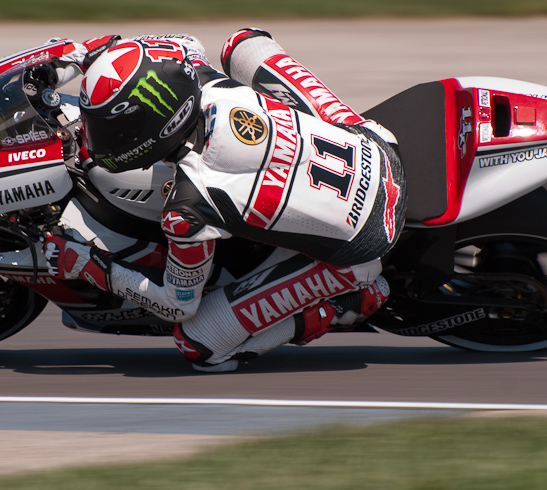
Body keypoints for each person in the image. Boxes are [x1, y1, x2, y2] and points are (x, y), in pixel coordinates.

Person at [43, 29, 407, 372]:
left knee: (199, 345)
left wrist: (89, 265)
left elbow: (176, 305)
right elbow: (183, 42)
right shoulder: (196, 71)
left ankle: (346, 302)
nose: (97, 137)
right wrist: (87, 55)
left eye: (112, 129)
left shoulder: (188, 207)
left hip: (366, 242)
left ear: (154, 126)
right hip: (377, 145)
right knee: (243, 42)